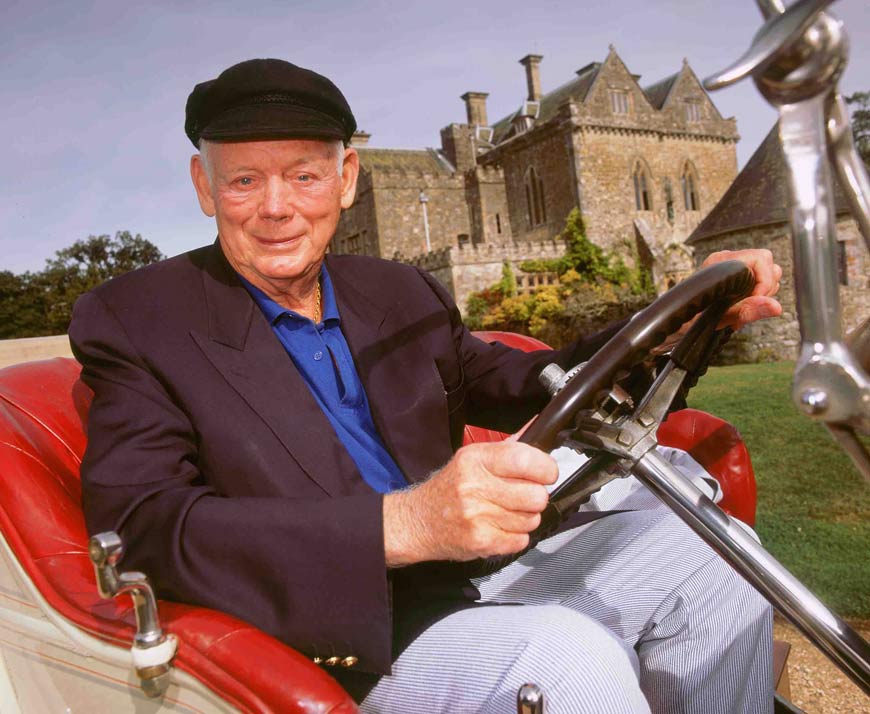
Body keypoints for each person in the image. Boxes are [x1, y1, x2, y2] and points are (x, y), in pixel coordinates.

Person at [69, 58, 784, 713]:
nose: (277, 207)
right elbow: (143, 530)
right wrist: (404, 525)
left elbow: (519, 379)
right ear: (205, 188)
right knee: (566, 663)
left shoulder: (396, 291)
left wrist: (668, 328)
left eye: (304, 175)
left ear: (347, 178)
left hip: (476, 576)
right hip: (343, 637)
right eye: (245, 180)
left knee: (721, 554)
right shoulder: (138, 320)